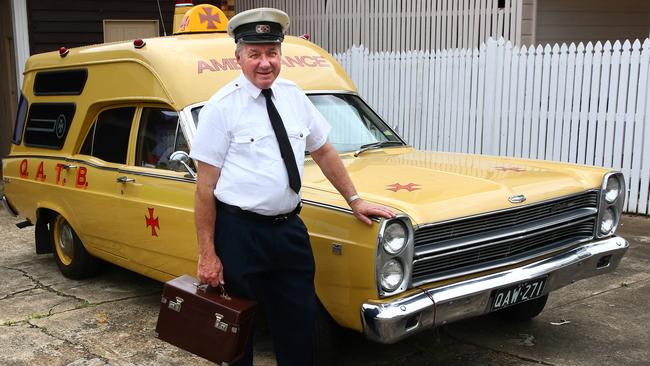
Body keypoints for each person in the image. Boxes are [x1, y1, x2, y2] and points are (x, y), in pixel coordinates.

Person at [189, 7, 395, 366]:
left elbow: (325, 150)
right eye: (255, 54)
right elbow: (204, 187)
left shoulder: (294, 96)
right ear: (238, 57)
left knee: (299, 327)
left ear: (281, 54)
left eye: (271, 52)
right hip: (240, 234)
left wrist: (355, 200)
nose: (265, 62)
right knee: (238, 332)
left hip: (289, 231)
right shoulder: (221, 109)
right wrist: (208, 254)